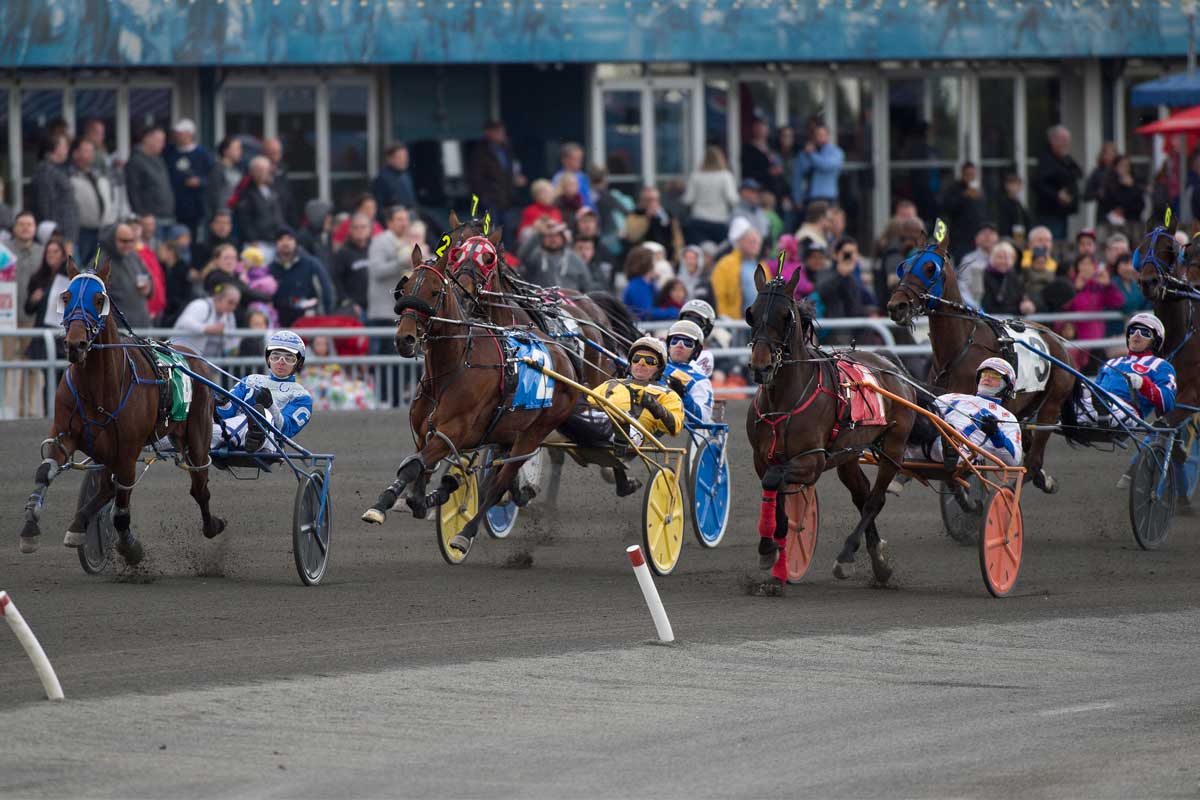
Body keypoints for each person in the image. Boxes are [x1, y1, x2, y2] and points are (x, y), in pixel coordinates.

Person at [586, 337, 684, 496]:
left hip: (633, 432)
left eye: (649, 361)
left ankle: (619, 437)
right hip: (599, 423)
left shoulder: (668, 394)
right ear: (630, 363)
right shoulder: (611, 384)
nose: (641, 363)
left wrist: (654, 405)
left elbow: (675, 427)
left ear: (659, 368)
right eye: (637, 359)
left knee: (623, 420)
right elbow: (588, 403)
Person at [1079, 314, 1177, 453]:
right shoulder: (1111, 362)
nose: (1137, 334)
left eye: (1144, 332)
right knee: (1076, 387)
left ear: (1155, 341)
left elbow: (1168, 403)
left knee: (1097, 400)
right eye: (1133, 331)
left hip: (1128, 412)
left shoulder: (1161, 365)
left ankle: (1099, 408)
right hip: (1098, 403)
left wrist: (1143, 384)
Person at [213, 330, 313, 453]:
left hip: (269, 441)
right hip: (234, 428)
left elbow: (284, 431)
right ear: (268, 359)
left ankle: (254, 435)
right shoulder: (251, 380)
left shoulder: (302, 396)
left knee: (261, 413)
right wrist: (224, 403)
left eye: (289, 358)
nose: (281, 362)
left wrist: (270, 406)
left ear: (299, 363)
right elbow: (226, 415)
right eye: (275, 357)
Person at [919, 358, 1023, 471]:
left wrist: (996, 434)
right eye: (985, 373)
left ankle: (950, 446)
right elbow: (928, 413)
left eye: (995, 375)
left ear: (1007, 386)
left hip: (961, 453)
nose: (987, 377)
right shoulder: (953, 397)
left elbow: (1014, 460)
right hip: (924, 440)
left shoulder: (1007, 417)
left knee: (946, 439)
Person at [270, 227, 336, 325]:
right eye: (281, 239)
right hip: (281, 325)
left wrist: (324, 322)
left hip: (310, 324)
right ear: (276, 244)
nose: (285, 243)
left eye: (289, 239)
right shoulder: (270, 269)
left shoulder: (312, 265)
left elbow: (326, 293)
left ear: (295, 242)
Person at [68, 137, 115, 262]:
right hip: (84, 233)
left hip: (104, 231)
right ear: (75, 153)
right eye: (85, 150)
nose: (89, 154)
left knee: (99, 266)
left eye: (91, 151)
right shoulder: (69, 177)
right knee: (83, 266)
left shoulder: (100, 175)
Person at [1032, 124, 1082, 241]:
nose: (1066, 144)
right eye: (1063, 141)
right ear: (1053, 141)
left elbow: (1079, 173)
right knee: (1052, 241)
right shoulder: (1046, 159)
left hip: (1062, 211)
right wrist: (1057, 195)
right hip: (1049, 212)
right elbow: (1037, 183)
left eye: (1067, 141)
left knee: (1062, 241)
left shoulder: (1065, 158)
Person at [30, 133, 80, 249]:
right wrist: (54, 234)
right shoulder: (46, 171)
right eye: (65, 146)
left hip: (67, 235)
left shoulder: (57, 169)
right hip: (59, 237)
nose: (67, 149)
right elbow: (45, 205)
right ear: (56, 148)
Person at [682, 146, 739, 245]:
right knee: (721, 255)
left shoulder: (696, 176)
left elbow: (688, 200)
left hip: (698, 220)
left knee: (700, 254)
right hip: (719, 221)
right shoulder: (725, 176)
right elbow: (732, 199)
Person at [518, 219, 595, 292]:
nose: (553, 239)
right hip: (542, 303)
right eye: (549, 235)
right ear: (542, 239)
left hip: (571, 302)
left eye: (557, 235)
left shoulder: (575, 259)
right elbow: (522, 256)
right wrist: (539, 233)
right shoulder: (536, 256)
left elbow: (587, 286)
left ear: (563, 238)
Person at [165, 119, 212, 237]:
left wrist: (200, 182)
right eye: (176, 133)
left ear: (190, 134)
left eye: (180, 134)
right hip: (174, 205)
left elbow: (211, 178)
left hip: (195, 207)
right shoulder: (169, 152)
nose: (177, 136)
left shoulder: (202, 154)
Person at [663, 319, 714, 425]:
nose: (680, 345)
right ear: (668, 346)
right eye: (675, 340)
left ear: (696, 351)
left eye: (687, 343)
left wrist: (684, 396)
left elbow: (703, 419)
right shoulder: (649, 362)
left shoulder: (699, 380)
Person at [125, 126, 175, 230]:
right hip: (150, 220)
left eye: (163, 141)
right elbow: (133, 191)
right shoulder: (136, 162)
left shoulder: (160, 160)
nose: (162, 145)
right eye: (159, 141)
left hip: (167, 216)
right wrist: (143, 214)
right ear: (147, 139)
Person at [173, 282, 240, 358]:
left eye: (235, 304)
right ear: (218, 298)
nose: (233, 307)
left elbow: (232, 340)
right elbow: (185, 322)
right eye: (230, 302)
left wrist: (233, 350)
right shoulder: (200, 305)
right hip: (182, 358)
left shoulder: (229, 315)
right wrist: (206, 329)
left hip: (207, 363)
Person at [940, 162, 987, 262]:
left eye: (973, 174)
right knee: (962, 263)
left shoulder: (979, 189)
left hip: (977, 235)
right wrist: (964, 196)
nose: (970, 177)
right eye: (968, 174)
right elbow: (947, 207)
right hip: (960, 236)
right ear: (962, 174)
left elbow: (983, 211)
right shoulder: (954, 188)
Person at [622, 185, 683, 262]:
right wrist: (647, 218)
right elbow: (633, 236)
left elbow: (677, 237)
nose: (653, 203)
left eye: (655, 200)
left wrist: (677, 255)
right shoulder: (635, 215)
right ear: (642, 200)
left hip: (666, 257)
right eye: (649, 200)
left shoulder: (667, 215)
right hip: (644, 258)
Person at [235, 155, 284, 248]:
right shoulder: (246, 192)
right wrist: (252, 239)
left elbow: (279, 214)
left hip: (275, 240)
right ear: (252, 172)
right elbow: (244, 219)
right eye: (260, 170)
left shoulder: (273, 189)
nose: (264, 173)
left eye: (266, 170)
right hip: (257, 243)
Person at [792, 123, 844, 210]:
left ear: (827, 136)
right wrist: (797, 198)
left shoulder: (836, 152)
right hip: (809, 197)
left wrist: (811, 155)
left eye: (821, 135)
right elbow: (797, 177)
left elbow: (825, 166)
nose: (818, 137)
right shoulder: (804, 154)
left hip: (828, 197)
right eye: (816, 135)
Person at [332, 213, 373, 316]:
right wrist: (349, 303)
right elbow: (337, 282)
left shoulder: (376, 249)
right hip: (354, 309)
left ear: (370, 229)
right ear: (350, 230)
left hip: (376, 308)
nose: (360, 230)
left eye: (363, 227)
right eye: (356, 227)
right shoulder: (343, 253)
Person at [981, 241, 1033, 316]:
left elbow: (1021, 298)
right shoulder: (985, 276)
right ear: (992, 258)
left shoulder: (1014, 277)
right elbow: (989, 307)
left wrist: (1028, 306)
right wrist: (1019, 309)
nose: (1003, 261)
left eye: (1007, 258)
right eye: (999, 257)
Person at [956, 222, 998, 310]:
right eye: (984, 233)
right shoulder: (968, 260)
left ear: (997, 238)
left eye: (991, 233)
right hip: (976, 310)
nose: (988, 237)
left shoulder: (1003, 258)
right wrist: (974, 307)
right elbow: (962, 288)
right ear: (976, 239)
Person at [370, 142, 418, 219]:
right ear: (389, 159)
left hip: (411, 217)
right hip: (395, 220)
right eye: (400, 157)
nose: (404, 160)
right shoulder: (382, 179)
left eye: (405, 157)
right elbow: (378, 208)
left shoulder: (406, 176)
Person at [206, 136, 243, 218]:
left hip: (236, 215)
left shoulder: (237, 170)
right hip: (222, 218)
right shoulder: (217, 170)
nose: (240, 152)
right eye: (237, 149)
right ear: (226, 151)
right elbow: (213, 196)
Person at [551, 142, 592, 208]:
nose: (579, 162)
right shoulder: (558, 178)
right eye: (575, 159)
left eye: (580, 158)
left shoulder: (583, 176)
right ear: (564, 160)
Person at [997, 172, 1032, 244]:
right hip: (1008, 240)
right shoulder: (1003, 202)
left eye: (1017, 184)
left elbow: (1027, 221)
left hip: (1020, 239)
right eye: (1012, 184)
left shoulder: (1019, 203)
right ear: (1006, 186)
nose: (1014, 187)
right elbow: (1003, 224)